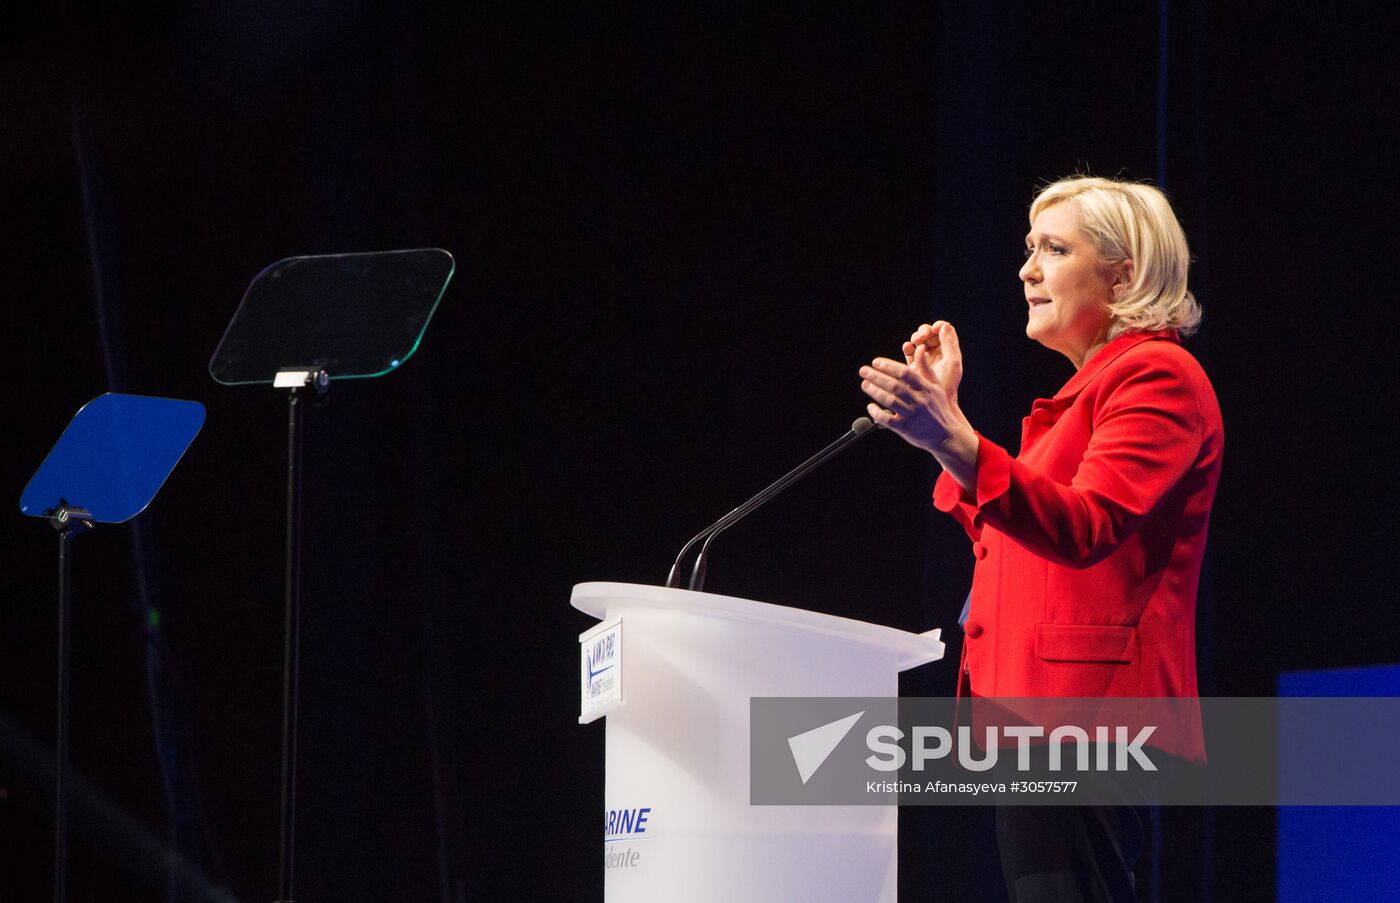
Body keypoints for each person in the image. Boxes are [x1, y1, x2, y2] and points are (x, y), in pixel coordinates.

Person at [858, 175, 1222, 902]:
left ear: (1125, 274)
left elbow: (1085, 524)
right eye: (1029, 248)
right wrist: (944, 440)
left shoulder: (1158, 376)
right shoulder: (1085, 392)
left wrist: (958, 439)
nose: (1027, 269)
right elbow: (1017, 534)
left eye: (1054, 249)